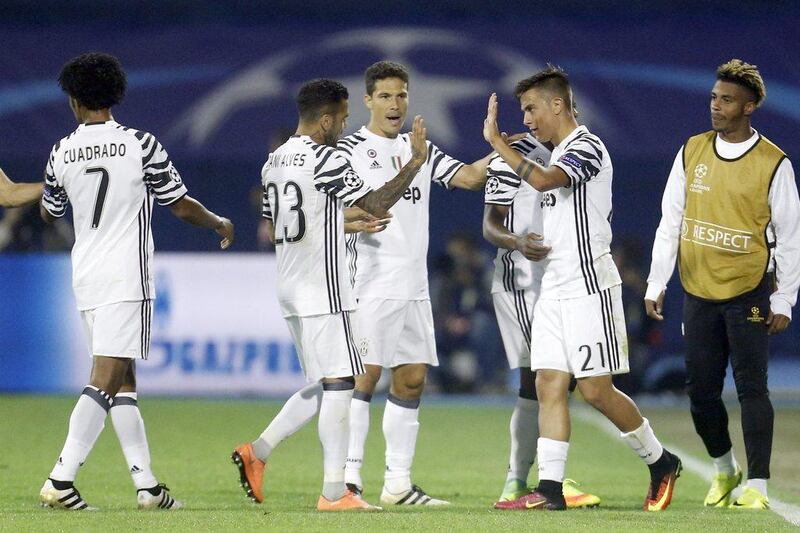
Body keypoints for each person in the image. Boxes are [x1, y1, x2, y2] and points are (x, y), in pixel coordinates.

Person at [38, 52, 235, 511]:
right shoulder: (139, 144)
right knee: (107, 377)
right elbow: (180, 204)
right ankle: (61, 479)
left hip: (85, 274)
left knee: (123, 377)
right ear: (115, 93)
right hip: (126, 275)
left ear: (73, 99)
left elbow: (51, 210)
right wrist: (219, 222)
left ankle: (147, 487)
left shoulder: (61, 150)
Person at [483, 66, 681, 512]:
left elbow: (546, 181)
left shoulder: (587, 146)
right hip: (554, 286)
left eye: (532, 108)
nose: (528, 119)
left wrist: (497, 143)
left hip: (590, 284)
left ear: (558, 104)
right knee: (549, 382)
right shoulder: (555, 153)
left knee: (595, 391)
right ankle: (549, 490)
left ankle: (661, 461)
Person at [231, 78, 429, 511]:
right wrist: (413, 164)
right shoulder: (327, 158)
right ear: (325, 119)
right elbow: (376, 204)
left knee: (327, 382)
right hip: (325, 287)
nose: (343, 126)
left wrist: (346, 223)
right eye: (340, 119)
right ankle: (335, 492)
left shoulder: (274, 161)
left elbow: (283, 224)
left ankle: (257, 452)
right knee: (342, 384)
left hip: (289, 283)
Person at [644, 59, 800, 510]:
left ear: (749, 107)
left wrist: (784, 298)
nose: (715, 106)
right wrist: (657, 281)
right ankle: (724, 468)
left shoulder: (774, 164)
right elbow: (669, 221)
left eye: (727, 100)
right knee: (700, 393)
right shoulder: (691, 151)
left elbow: (790, 238)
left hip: (748, 291)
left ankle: (759, 486)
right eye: (714, 97)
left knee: (753, 387)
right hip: (698, 292)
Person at [338, 60, 493, 506]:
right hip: (370, 281)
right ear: (368, 100)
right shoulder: (350, 150)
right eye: (385, 96)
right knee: (364, 379)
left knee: (410, 380)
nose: (394, 104)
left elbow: (467, 177)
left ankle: (398, 484)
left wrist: (500, 147)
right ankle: (349, 482)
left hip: (413, 285)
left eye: (401, 95)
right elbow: (355, 208)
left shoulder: (419, 146)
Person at [482, 133, 600, 509]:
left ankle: (545, 478)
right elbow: (490, 224)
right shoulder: (512, 157)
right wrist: (517, 242)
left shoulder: (571, 159)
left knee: (556, 385)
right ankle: (517, 482)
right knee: (537, 381)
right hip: (520, 283)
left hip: (557, 282)